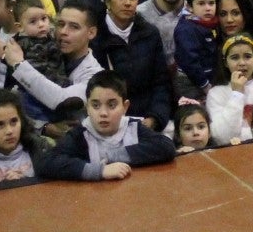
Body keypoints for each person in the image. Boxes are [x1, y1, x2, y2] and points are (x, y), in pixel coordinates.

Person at [36, 71, 175, 181]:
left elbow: (166, 147)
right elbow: (46, 163)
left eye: (112, 105)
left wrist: (112, 156)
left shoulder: (133, 127)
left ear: (125, 107)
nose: (103, 113)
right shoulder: (80, 135)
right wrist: (99, 171)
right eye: (95, 105)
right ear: (87, 107)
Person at [90, 0, 174, 132]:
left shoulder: (150, 34)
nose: (127, 3)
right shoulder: (95, 38)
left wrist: (154, 118)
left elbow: (161, 83)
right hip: (110, 122)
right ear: (107, 1)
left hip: (149, 120)